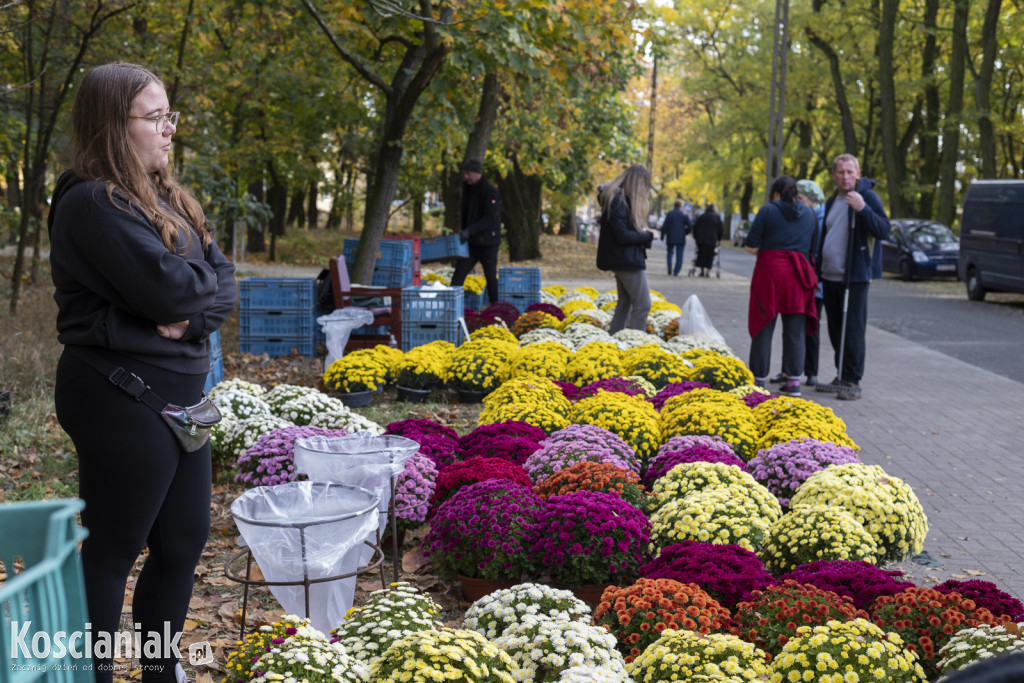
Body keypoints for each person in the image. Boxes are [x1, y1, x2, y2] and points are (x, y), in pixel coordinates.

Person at [48, 63, 236, 682]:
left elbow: (220, 286)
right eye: (154, 118)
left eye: (169, 115)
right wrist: (190, 294)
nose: (168, 130)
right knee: (113, 548)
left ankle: (159, 673)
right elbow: (171, 291)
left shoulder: (168, 199)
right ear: (112, 125)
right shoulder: (91, 201)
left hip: (183, 392)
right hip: (118, 393)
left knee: (183, 541)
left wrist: (192, 305)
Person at [814, 153, 891, 400]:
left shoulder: (866, 196)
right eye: (840, 172)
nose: (845, 176)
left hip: (854, 277)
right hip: (830, 275)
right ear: (834, 175)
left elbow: (883, 230)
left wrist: (863, 209)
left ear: (857, 174)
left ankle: (853, 380)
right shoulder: (831, 201)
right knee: (836, 329)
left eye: (849, 172)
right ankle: (842, 373)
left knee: (853, 329)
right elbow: (826, 235)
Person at [744, 176, 819, 397]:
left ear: (775, 193)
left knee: (763, 327)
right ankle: (793, 382)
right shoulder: (811, 214)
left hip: (770, 274)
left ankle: (759, 382)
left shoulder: (767, 211)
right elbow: (814, 248)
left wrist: (769, 249)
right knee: (795, 331)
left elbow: (750, 244)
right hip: (799, 274)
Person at [770, 178, 826, 387]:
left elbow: (815, 249)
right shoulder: (802, 214)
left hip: (814, 278)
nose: (797, 201)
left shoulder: (818, 218)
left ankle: (811, 372)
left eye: (801, 198)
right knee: (792, 329)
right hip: (802, 276)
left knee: (810, 328)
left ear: (812, 200)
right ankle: (788, 371)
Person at [596, 164, 655, 332]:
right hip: (626, 260)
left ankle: (616, 340)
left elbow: (622, 231)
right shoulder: (618, 200)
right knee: (643, 305)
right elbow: (622, 236)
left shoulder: (617, 198)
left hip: (623, 258)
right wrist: (648, 235)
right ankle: (635, 344)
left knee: (625, 304)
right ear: (638, 183)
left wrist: (643, 233)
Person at [450, 158, 501, 305]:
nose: (466, 177)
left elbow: (490, 217)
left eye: (468, 174)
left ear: (477, 173)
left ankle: (495, 306)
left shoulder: (490, 191)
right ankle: (450, 305)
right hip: (471, 243)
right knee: (459, 274)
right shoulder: (467, 188)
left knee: (490, 276)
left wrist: (469, 231)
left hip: (488, 243)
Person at [660, 198, 691, 276]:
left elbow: (665, 225)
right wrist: (685, 233)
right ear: (681, 206)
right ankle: (676, 271)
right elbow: (690, 226)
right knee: (679, 255)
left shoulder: (670, 214)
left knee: (670, 253)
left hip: (670, 237)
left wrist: (662, 235)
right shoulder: (684, 215)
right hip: (681, 238)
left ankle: (669, 268)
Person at [692, 204, 723, 277]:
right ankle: (708, 272)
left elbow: (695, 227)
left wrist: (696, 237)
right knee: (710, 255)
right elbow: (720, 229)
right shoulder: (716, 217)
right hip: (712, 240)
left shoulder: (702, 216)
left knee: (701, 254)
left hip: (701, 239)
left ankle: (702, 271)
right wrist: (718, 239)